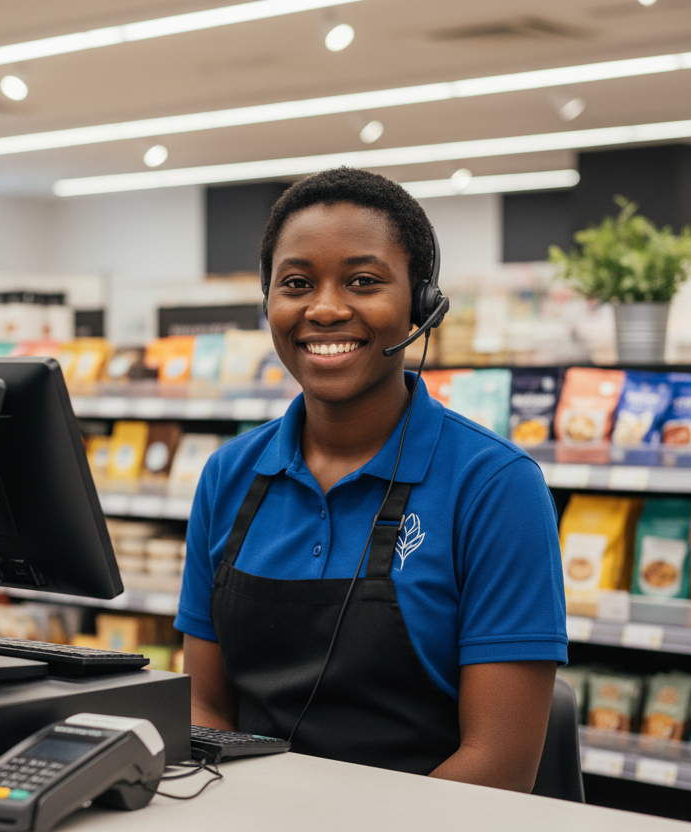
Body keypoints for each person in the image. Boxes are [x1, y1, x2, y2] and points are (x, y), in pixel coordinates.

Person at [175, 167, 567, 791]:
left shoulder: (495, 486)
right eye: (297, 283)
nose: (326, 309)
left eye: (363, 281)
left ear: (421, 302)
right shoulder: (229, 474)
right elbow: (205, 707)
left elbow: (500, 765)